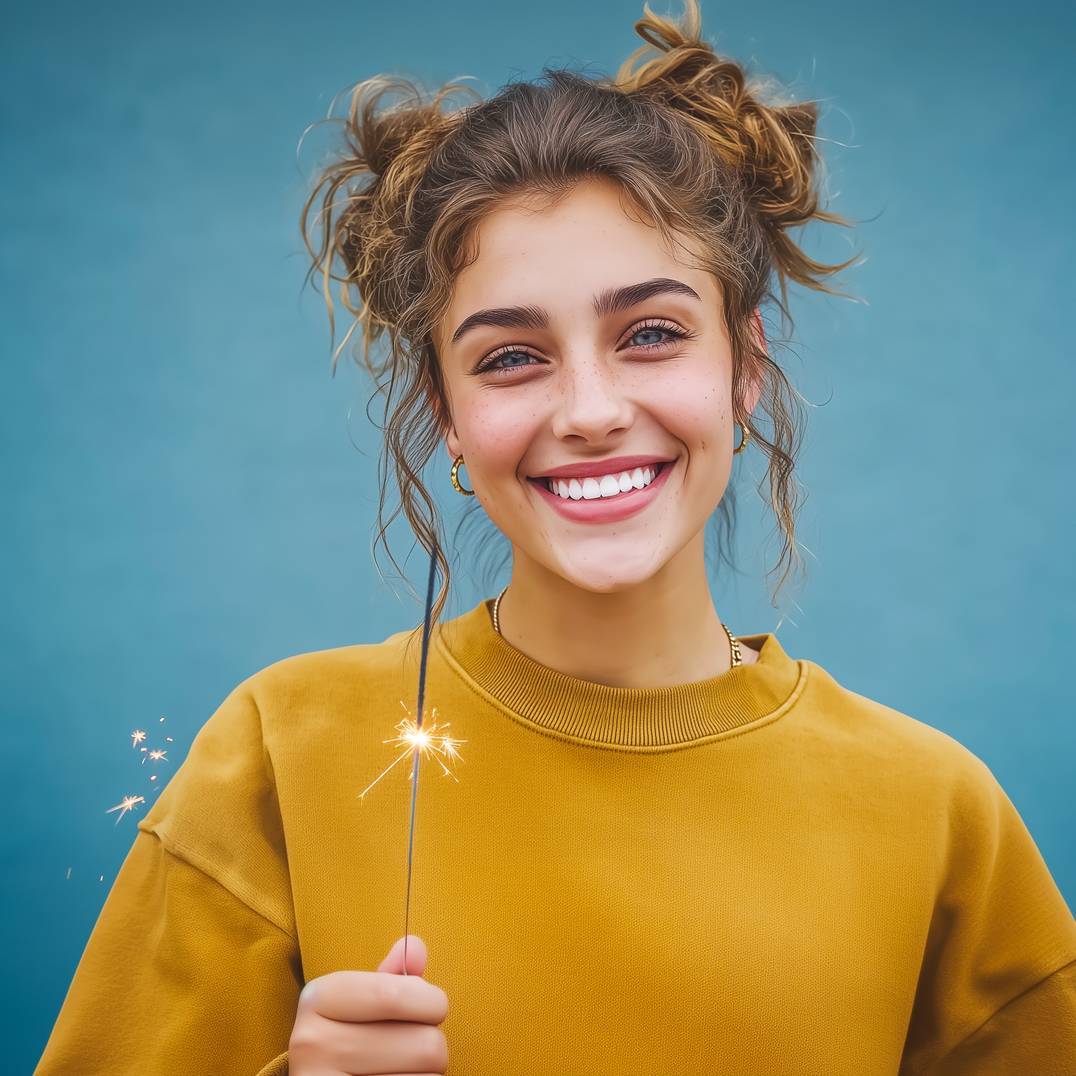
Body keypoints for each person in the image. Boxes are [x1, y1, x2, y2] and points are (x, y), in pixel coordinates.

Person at [36, 3, 1076, 1074]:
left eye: (652, 334)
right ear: (445, 411)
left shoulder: (938, 812)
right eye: (509, 357)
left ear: (745, 368)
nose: (588, 410)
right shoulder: (277, 758)